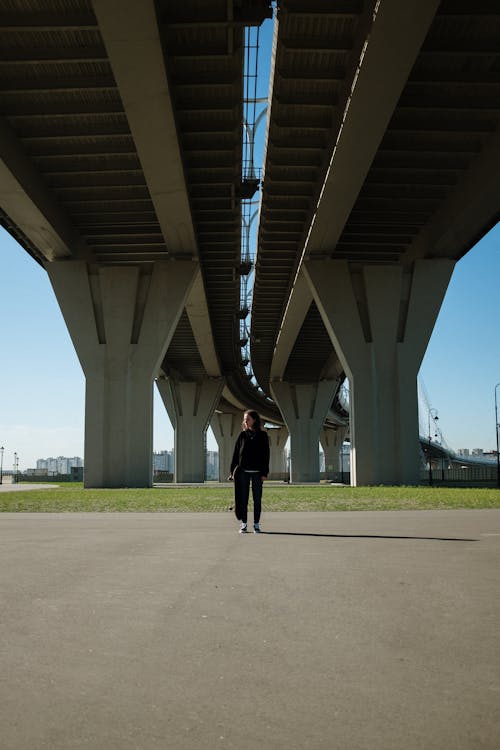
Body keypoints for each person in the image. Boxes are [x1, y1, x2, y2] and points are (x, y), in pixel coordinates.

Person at [229, 410, 270, 533]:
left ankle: (256, 524)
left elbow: (266, 455)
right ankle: (244, 524)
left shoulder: (263, 435)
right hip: (243, 472)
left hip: (258, 473)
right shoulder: (242, 435)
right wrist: (232, 472)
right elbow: (236, 454)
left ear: (254, 420)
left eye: (247, 419)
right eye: (244, 419)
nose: (245, 421)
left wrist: (264, 472)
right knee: (243, 499)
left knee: (257, 499)